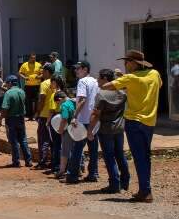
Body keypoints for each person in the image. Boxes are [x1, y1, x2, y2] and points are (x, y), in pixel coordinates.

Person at [103, 50, 162, 203]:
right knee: (145, 157)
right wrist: (126, 80)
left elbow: (107, 86)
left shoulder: (130, 78)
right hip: (149, 122)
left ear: (134, 63)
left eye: (127, 62)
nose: (125, 64)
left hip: (134, 122)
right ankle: (145, 189)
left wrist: (118, 79)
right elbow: (156, 85)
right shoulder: (154, 74)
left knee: (139, 158)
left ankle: (145, 191)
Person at [88, 69, 129, 194]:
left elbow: (96, 115)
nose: (97, 80)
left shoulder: (102, 94)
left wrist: (90, 130)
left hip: (106, 130)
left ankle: (114, 184)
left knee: (109, 156)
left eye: (99, 78)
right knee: (120, 155)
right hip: (119, 128)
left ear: (105, 79)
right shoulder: (122, 92)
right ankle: (125, 182)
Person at [66, 60, 99, 184]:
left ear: (85, 69)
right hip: (94, 120)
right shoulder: (95, 81)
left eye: (78, 68)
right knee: (93, 148)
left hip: (84, 120)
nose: (76, 71)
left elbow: (83, 100)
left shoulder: (82, 81)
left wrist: (74, 116)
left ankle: (72, 175)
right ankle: (93, 173)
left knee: (77, 149)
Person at [0, 75, 32, 167]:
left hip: (11, 119)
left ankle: (16, 161)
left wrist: (0, 119)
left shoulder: (8, 93)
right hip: (21, 118)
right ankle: (28, 161)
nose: (6, 85)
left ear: (10, 83)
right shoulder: (22, 91)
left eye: (7, 83)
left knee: (14, 141)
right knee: (23, 139)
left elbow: (5, 108)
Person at [35, 64, 55, 169]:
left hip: (44, 115)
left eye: (43, 71)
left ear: (47, 72)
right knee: (53, 140)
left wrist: (37, 112)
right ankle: (54, 161)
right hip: (54, 115)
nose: (42, 73)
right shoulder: (56, 82)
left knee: (43, 139)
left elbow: (41, 99)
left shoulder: (44, 84)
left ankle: (42, 161)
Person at [46, 76, 67, 176]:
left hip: (56, 119)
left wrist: (47, 122)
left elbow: (51, 110)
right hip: (64, 118)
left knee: (56, 143)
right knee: (63, 143)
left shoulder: (55, 94)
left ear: (55, 82)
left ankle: (56, 166)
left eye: (51, 82)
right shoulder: (64, 92)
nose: (50, 84)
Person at [53, 91, 76, 179]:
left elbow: (64, 119)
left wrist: (60, 130)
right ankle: (78, 168)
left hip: (68, 130)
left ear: (59, 99)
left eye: (58, 103)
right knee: (76, 150)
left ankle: (62, 171)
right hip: (77, 129)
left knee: (65, 150)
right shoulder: (74, 102)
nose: (59, 105)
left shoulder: (65, 105)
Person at [19, 53, 42, 120]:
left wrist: (39, 77)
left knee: (37, 100)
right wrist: (24, 77)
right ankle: (29, 115)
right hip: (28, 86)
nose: (34, 59)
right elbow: (20, 73)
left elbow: (42, 73)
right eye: (32, 58)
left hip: (36, 86)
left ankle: (36, 115)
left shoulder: (39, 65)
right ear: (29, 58)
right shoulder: (24, 65)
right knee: (28, 101)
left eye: (34, 58)